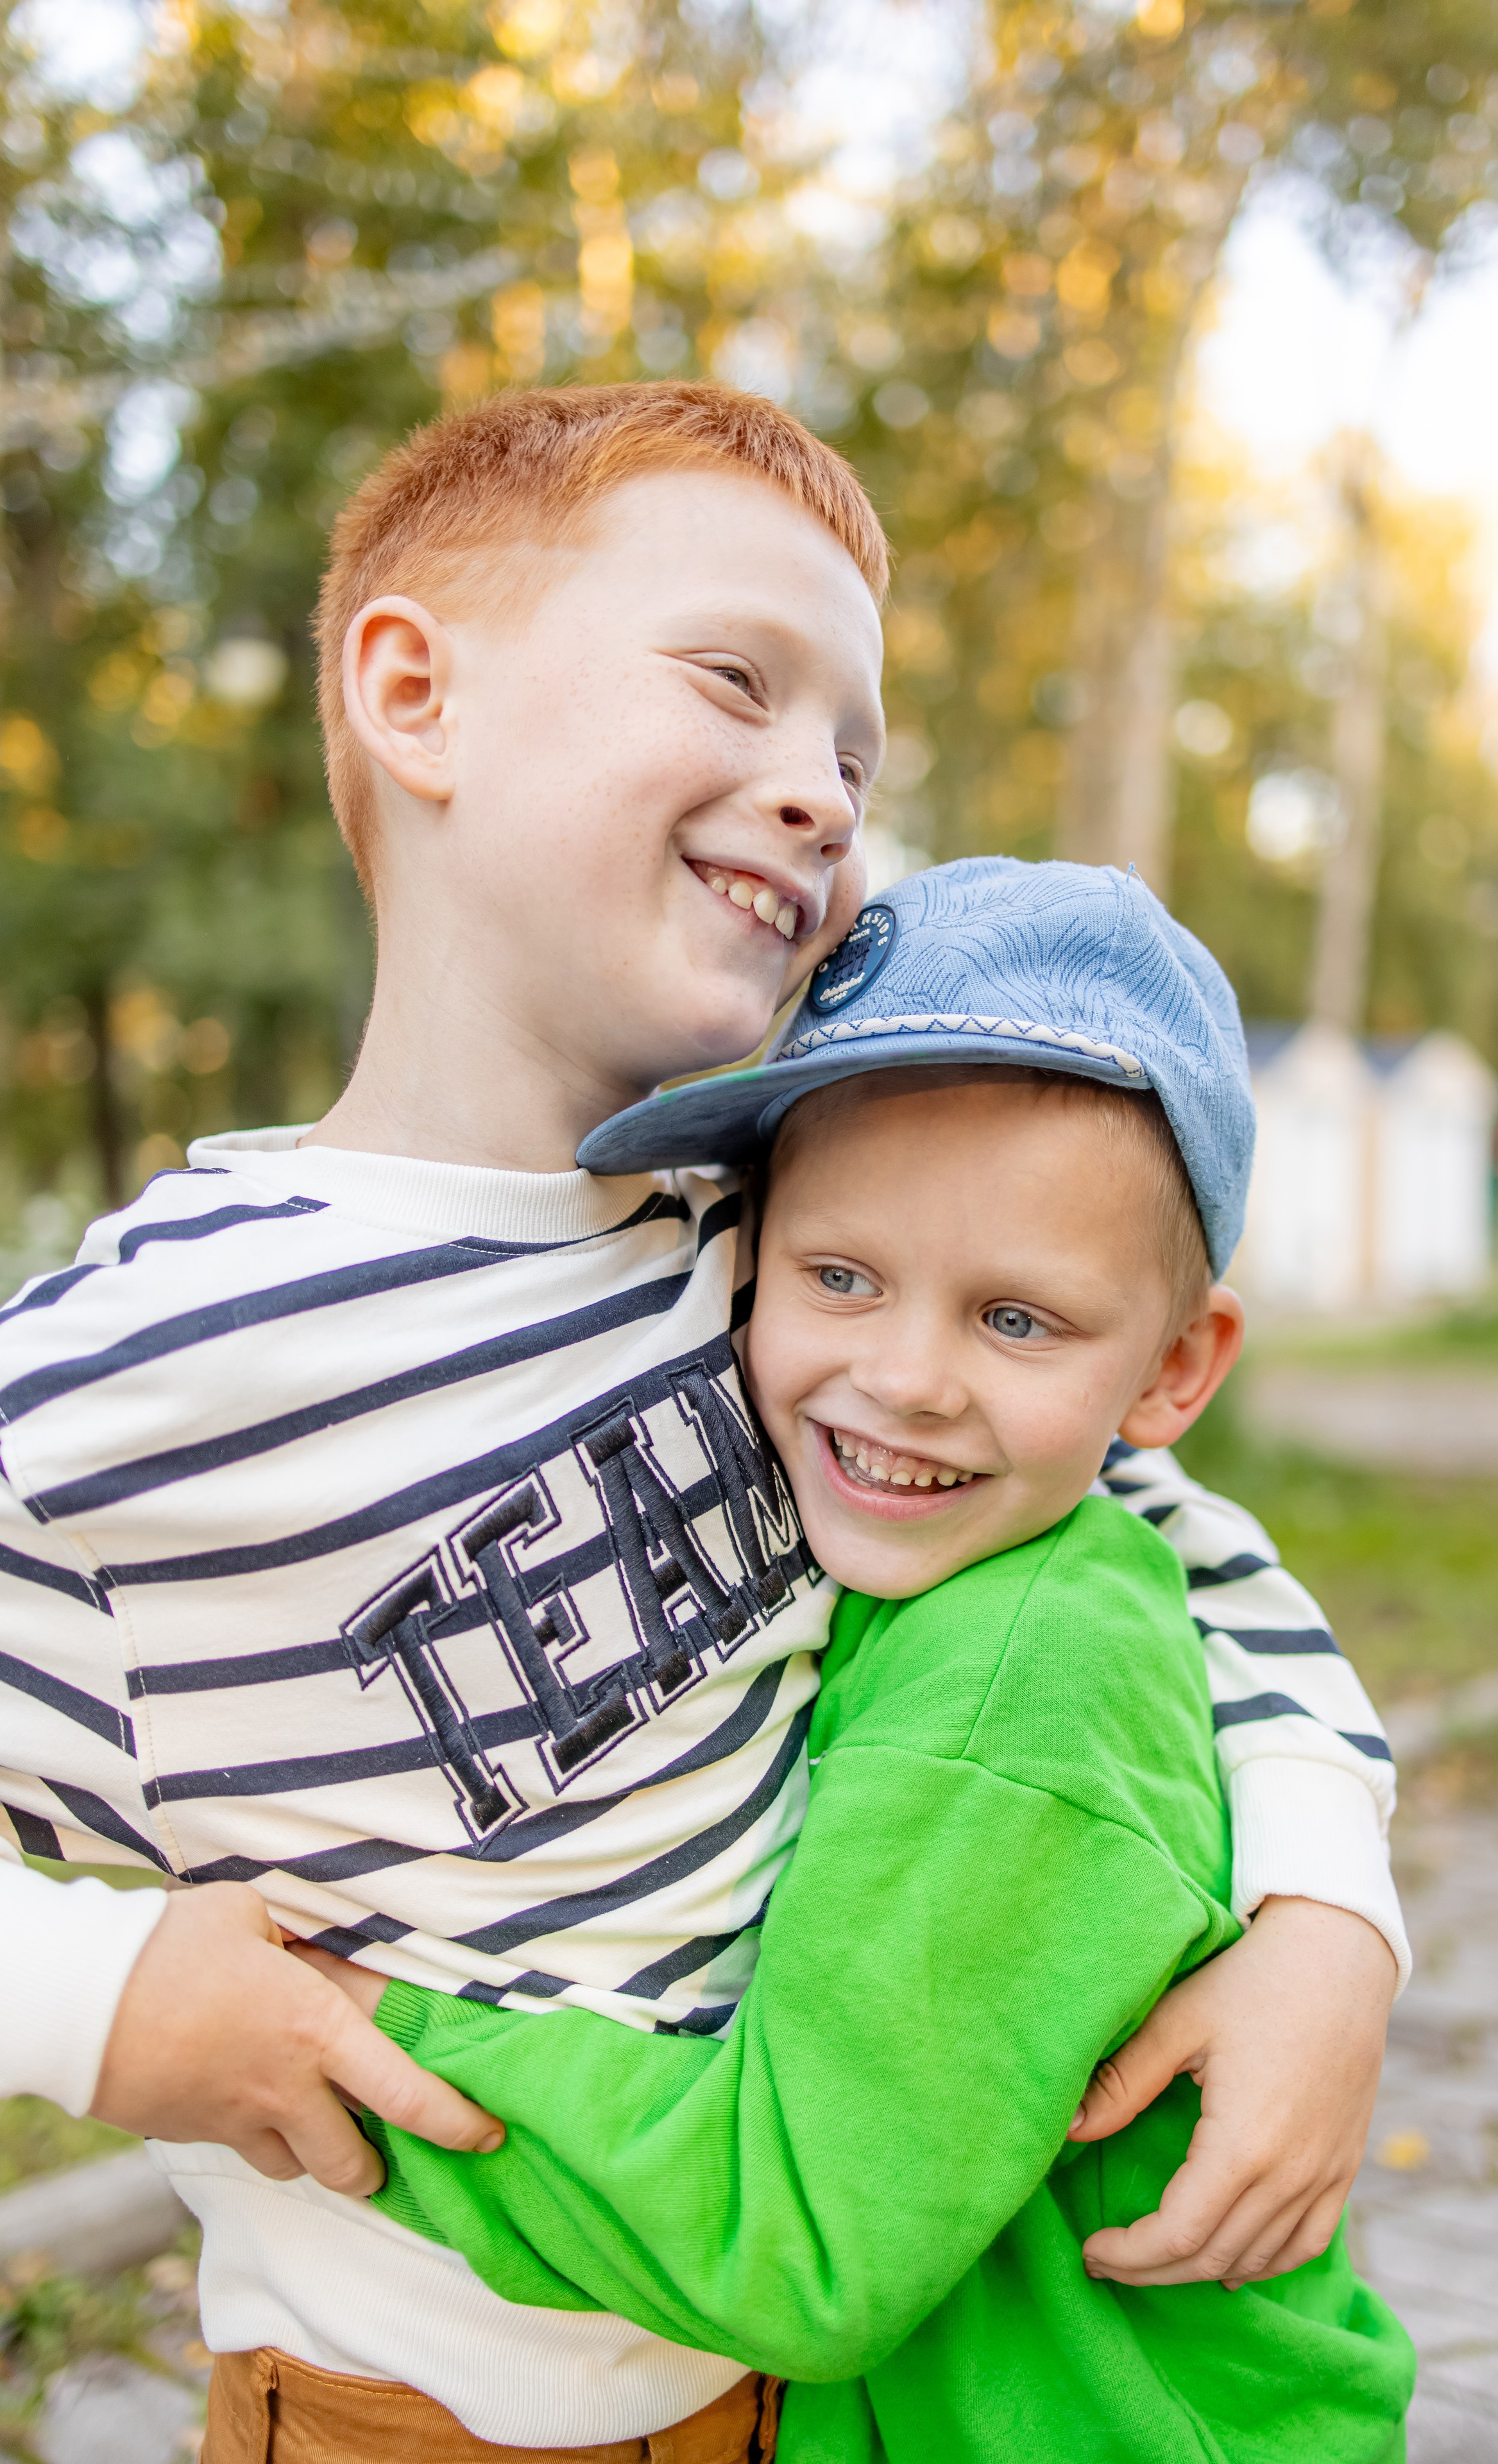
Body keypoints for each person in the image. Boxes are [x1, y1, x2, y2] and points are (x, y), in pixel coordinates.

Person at [0, 386, 1401, 2463]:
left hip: (803, 2394)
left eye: (855, 754)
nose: (823, 794)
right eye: (741, 683)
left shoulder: (787, 1267)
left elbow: (1176, 1554)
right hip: (408, 2410)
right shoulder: (142, 1372)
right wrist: (100, 2008)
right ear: (418, 696)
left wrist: (1326, 1922)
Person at [312, 859, 1415, 2462]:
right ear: (744, 1259)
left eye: (1017, 1321)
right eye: (840, 1276)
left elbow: (803, 2243)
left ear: (1175, 1369)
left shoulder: (1010, 1677)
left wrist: (356, 2031)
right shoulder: (965, 1522)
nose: (902, 1380)